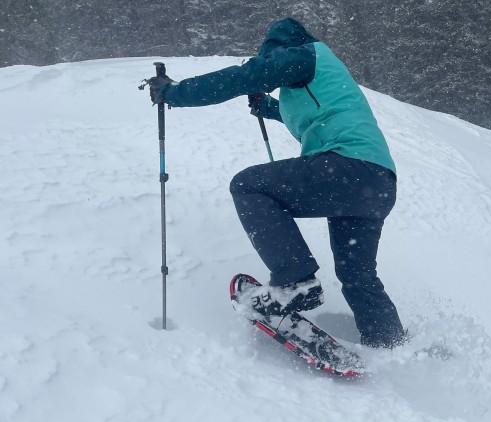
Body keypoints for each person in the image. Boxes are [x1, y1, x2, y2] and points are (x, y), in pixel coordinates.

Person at [144, 18, 405, 348]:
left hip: (349, 168)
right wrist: (269, 107)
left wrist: (176, 94)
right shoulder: (323, 73)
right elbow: (317, 113)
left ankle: (295, 281)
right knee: (357, 277)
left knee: (248, 186)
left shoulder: (304, 55)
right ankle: (392, 347)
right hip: (375, 184)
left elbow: (244, 76)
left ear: (279, 48)